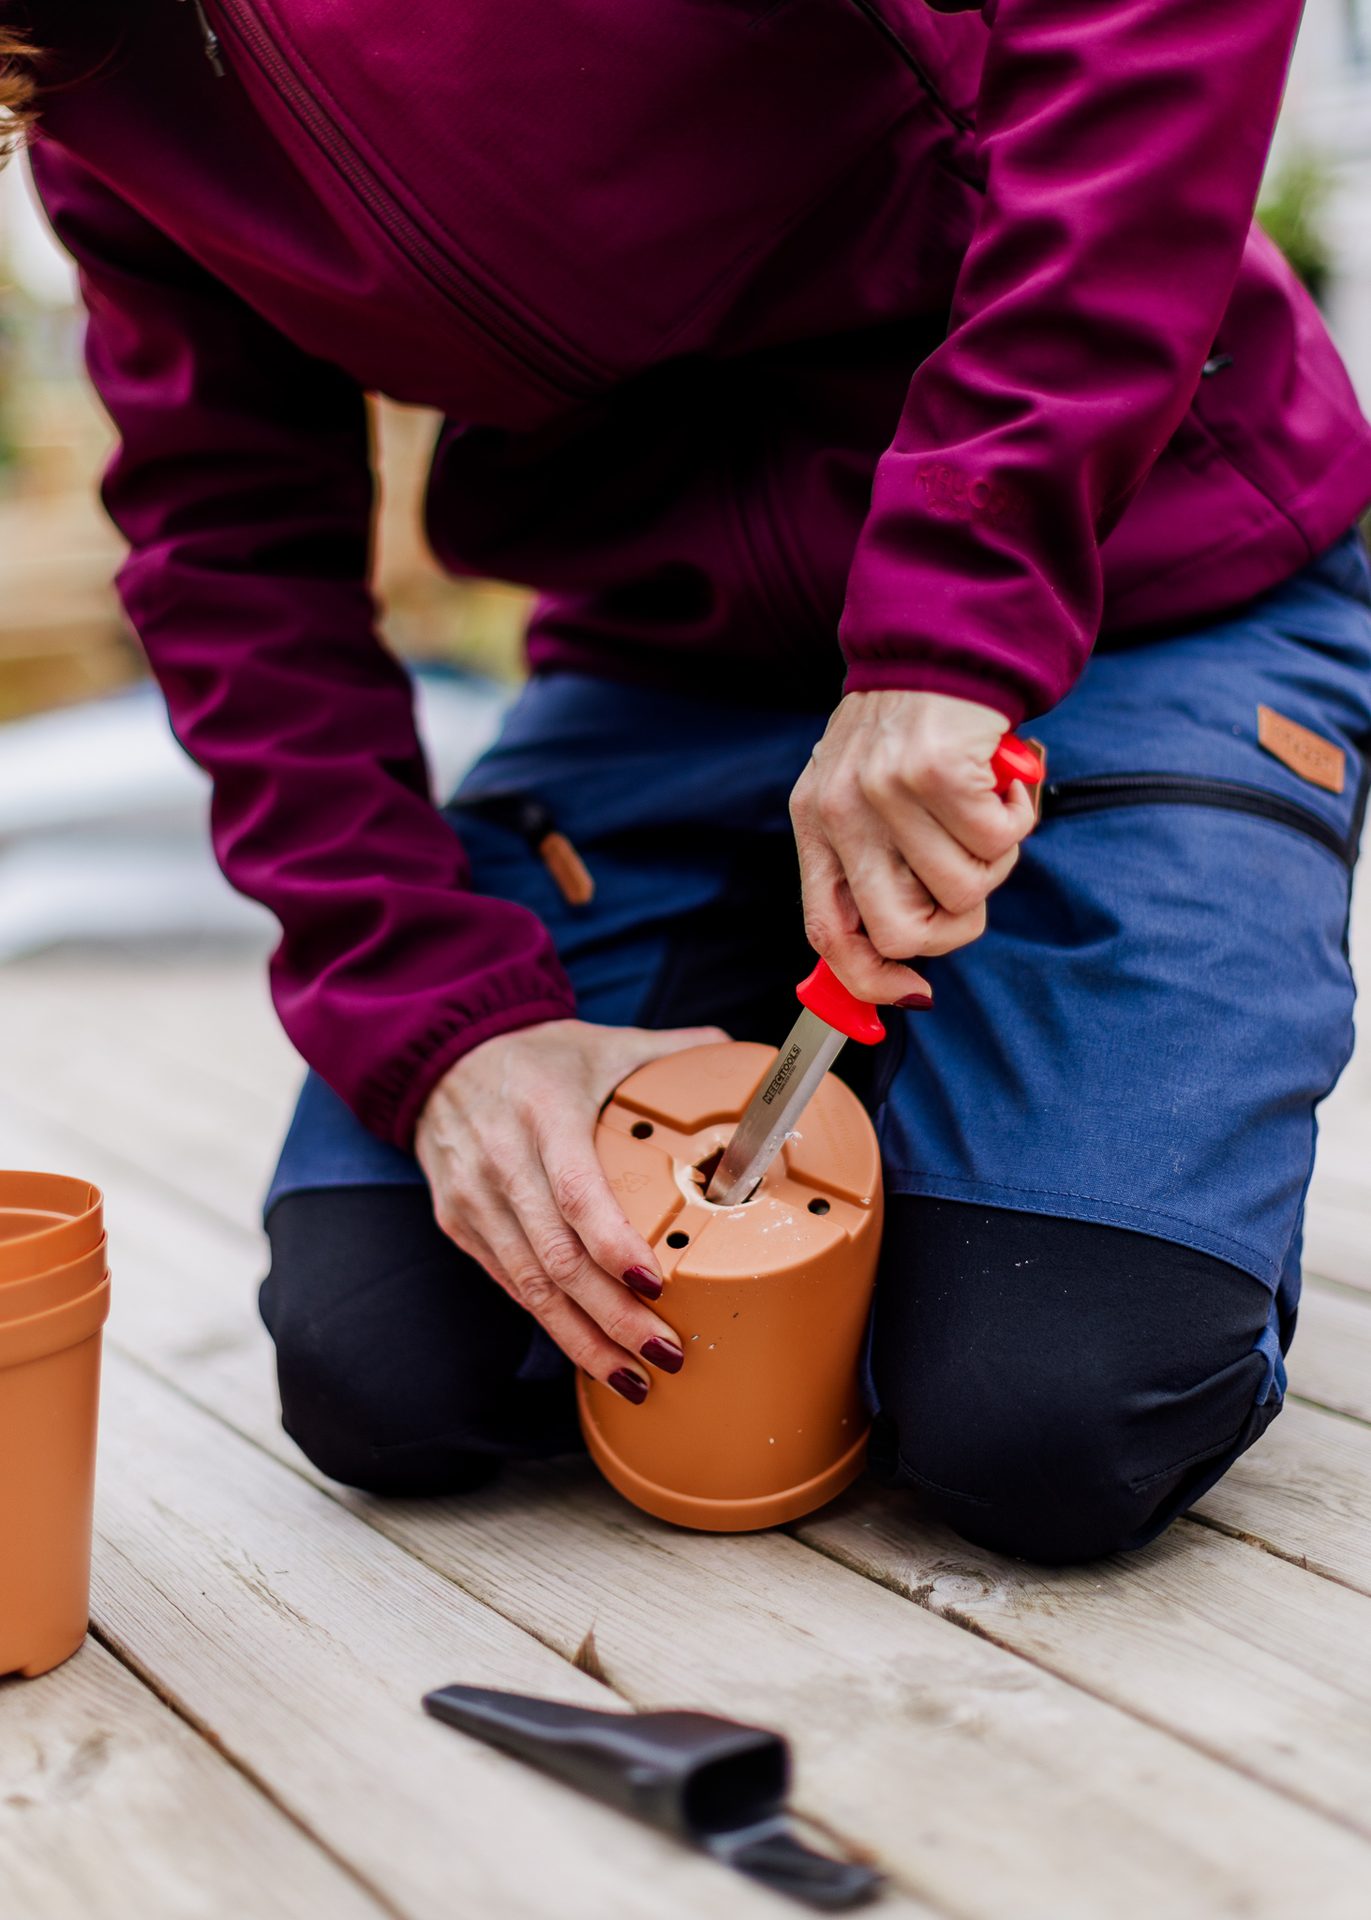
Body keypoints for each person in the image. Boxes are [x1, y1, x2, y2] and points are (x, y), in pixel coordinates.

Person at [10, 3, 1371, 1563]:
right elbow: (227, 541)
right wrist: (440, 1023)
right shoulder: (81, 64)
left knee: (1057, 1411)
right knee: (384, 1364)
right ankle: (900, 1113)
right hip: (668, 661)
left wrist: (957, 614)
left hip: (1139, 574)